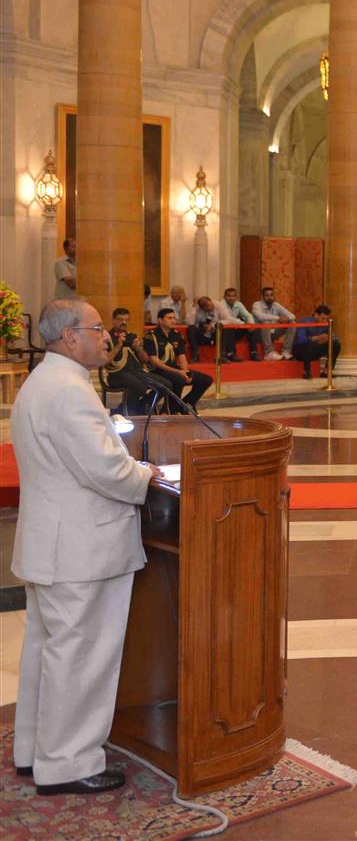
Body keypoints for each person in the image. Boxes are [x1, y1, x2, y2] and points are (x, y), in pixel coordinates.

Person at [11, 299, 159, 795]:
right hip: (82, 549)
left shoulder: (43, 381)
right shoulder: (69, 391)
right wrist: (145, 475)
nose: (107, 337)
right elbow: (104, 470)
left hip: (55, 545)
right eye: (97, 329)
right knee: (81, 657)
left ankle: (36, 751)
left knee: (51, 653)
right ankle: (69, 764)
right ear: (69, 337)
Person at [102, 307, 175, 414]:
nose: (124, 322)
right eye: (120, 320)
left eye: (127, 320)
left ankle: (138, 407)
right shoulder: (107, 338)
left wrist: (138, 348)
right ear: (113, 320)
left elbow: (145, 360)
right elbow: (105, 361)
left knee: (166, 385)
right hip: (117, 374)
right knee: (138, 386)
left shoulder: (132, 336)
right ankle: (129, 411)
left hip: (137, 372)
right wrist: (119, 345)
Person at [141, 308, 213, 409]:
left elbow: (182, 356)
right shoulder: (151, 336)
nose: (173, 320)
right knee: (179, 379)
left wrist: (186, 372)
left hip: (173, 368)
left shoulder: (176, 335)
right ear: (160, 320)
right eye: (169, 318)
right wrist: (178, 372)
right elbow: (154, 361)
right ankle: (170, 409)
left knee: (206, 379)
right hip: (157, 370)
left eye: (174, 318)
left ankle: (185, 404)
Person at [294, 304, 341, 379]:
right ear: (316, 315)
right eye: (322, 318)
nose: (325, 321)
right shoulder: (304, 322)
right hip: (300, 351)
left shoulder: (325, 324)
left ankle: (327, 371)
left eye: (326, 319)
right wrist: (316, 338)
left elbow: (336, 337)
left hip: (314, 350)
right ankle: (307, 372)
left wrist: (328, 338)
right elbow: (300, 340)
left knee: (336, 344)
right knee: (308, 345)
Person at [251, 286, 296, 360]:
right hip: (259, 334)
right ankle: (268, 353)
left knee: (292, 322)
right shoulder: (256, 304)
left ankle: (286, 351)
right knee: (266, 322)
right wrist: (279, 318)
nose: (269, 297)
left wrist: (287, 318)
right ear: (262, 297)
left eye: (271, 295)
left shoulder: (276, 305)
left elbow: (292, 315)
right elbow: (261, 317)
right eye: (267, 295)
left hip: (273, 333)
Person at [221, 287, 264, 361]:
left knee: (253, 328)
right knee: (230, 327)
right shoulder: (221, 304)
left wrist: (250, 324)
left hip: (236, 328)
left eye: (233, 296)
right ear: (224, 297)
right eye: (229, 296)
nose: (231, 298)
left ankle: (254, 353)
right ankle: (231, 354)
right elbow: (229, 319)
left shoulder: (238, 304)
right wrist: (244, 324)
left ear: (236, 297)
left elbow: (248, 315)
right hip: (224, 332)